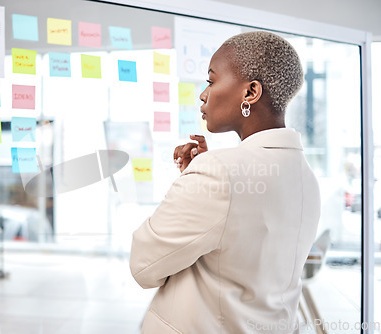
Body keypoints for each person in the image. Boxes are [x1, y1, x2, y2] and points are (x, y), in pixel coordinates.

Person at [129, 31, 321, 334]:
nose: (203, 95)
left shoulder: (218, 172)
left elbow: (143, 266)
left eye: (211, 80)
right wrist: (197, 177)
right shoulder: (306, 178)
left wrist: (200, 178)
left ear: (250, 92)